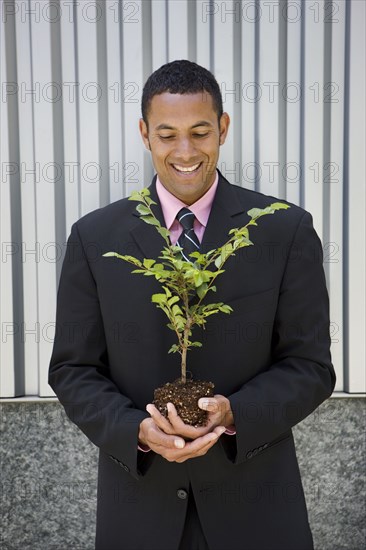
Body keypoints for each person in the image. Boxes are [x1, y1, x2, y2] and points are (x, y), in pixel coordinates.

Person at [49, 60, 336, 550]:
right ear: (144, 133)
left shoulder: (284, 230)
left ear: (223, 129)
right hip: (139, 510)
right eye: (167, 135)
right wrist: (136, 431)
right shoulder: (95, 238)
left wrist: (235, 413)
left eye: (200, 132)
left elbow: (310, 365)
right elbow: (73, 368)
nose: (185, 152)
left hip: (257, 512)